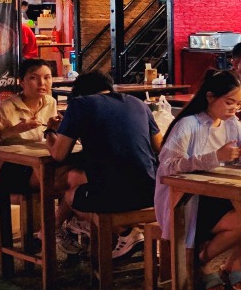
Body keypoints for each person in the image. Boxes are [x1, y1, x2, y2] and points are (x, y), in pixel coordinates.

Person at [155, 70, 241, 290]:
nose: (233, 109)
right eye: (229, 102)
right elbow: (168, 165)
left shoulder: (233, 125)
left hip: (222, 197)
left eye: (238, 104)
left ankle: (210, 260)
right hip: (188, 201)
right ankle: (202, 262)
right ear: (210, 97)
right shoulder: (188, 125)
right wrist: (216, 156)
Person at [50, 71, 161, 261]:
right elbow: (159, 146)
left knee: (70, 195)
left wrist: (50, 131)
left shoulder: (80, 104)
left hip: (113, 196)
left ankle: (126, 233)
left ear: (79, 93)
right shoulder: (138, 103)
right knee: (82, 180)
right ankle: (67, 228)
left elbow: (59, 154)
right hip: (152, 192)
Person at [0, 59, 58, 193]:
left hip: (40, 161)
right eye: (33, 78)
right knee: (60, 181)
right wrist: (14, 130)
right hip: (11, 167)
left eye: (47, 77)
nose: (42, 83)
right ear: (22, 82)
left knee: (75, 176)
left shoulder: (50, 102)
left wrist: (54, 129)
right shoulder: (6, 108)